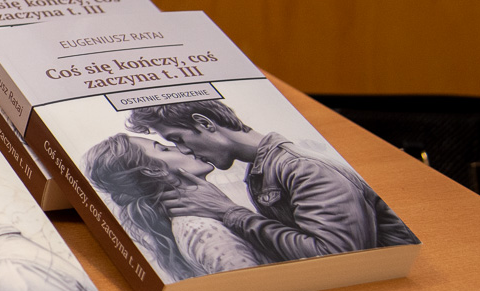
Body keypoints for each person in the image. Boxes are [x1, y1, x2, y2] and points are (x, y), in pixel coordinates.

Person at [126, 101, 420, 262]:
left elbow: (338, 258)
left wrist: (228, 212)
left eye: (178, 139)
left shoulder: (301, 168)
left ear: (205, 123)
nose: (184, 151)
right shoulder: (266, 168)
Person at [83, 133, 270, 281]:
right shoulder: (202, 229)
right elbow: (251, 287)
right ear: (154, 171)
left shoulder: (202, 219)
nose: (182, 148)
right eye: (164, 149)